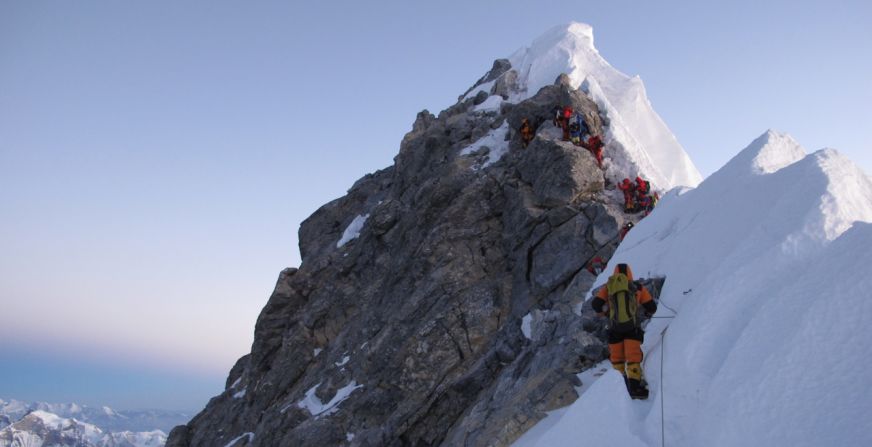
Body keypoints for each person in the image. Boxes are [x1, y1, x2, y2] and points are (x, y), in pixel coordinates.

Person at [592, 263, 657, 399]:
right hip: (632, 328)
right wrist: (646, 313)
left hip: (614, 329)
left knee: (617, 359)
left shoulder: (608, 287)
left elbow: (596, 304)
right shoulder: (637, 287)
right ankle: (635, 389)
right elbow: (651, 306)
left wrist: (603, 313)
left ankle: (620, 390)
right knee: (633, 357)